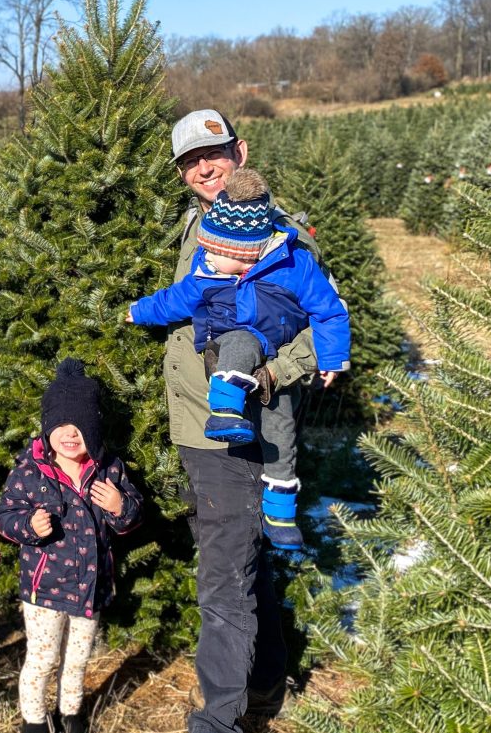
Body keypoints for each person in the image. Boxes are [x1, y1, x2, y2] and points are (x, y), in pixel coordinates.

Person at [148, 110, 331, 733]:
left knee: (222, 580)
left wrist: (272, 375)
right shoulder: (195, 228)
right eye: (192, 161)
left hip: (244, 429)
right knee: (239, 561)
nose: (205, 167)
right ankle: (265, 681)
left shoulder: (282, 232)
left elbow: (325, 322)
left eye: (215, 153)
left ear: (240, 151)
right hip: (198, 430)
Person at [127, 167, 350, 551]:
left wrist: (331, 359)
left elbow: (329, 312)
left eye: (214, 250)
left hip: (274, 370)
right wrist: (138, 311)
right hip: (229, 352)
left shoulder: (294, 267)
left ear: (243, 256)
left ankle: (281, 515)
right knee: (240, 341)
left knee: (281, 438)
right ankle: (226, 414)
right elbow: (174, 300)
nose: (206, 255)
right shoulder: (208, 271)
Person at [0, 358, 142, 733]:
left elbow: (130, 520)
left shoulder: (109, 470)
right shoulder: (31, 471)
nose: (70, 434)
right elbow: (3, 516)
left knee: (77, 660)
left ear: (92, 429)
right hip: (44, 591)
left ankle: (71, 716)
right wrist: (29, 526)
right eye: (61, 425)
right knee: (42, 659)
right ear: (48, 427)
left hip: (89, 588)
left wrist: (119, 505)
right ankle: (34, 721)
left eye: (79, 426)